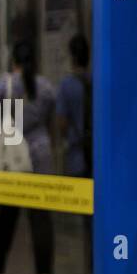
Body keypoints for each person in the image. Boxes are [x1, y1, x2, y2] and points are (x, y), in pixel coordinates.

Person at [0, 40, 56, 274]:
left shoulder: (5, 84)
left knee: (4, 218)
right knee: (41, 218)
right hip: (40, 158)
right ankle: (45, 273)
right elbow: (51, 121)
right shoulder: (46, 88)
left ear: (14, 61)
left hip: (12, 159)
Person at [56, 34, 91, 179]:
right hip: (98, 157)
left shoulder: (67, 85)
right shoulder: (96, 81)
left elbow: (62, 123)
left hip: (76, 156)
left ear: (73, 57)